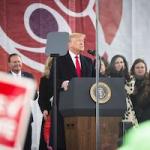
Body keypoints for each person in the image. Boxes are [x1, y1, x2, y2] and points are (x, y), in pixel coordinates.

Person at [49, 32, 95, 150]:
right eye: (78, 40)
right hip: (66, 106)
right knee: (65, 140)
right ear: (69, 44)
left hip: (85, 106)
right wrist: (62, 83)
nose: (82, 43)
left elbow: (94, 81)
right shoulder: (59, 60)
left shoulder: (88, 61)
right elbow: (52, 80)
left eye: (83, 41)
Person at [8, 53, 38, 150]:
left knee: (27, 144)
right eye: (14, 62)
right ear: (9, 64)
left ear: (21, 63)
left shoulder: (29, 76)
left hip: (26, 117)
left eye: (19, 61)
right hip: (10, 118)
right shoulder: (5, 77)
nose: (17, 64)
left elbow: (34, 97)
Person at [38, 56, 54, 149]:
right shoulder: (45, 79)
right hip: (49, 114)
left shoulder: (66, 77)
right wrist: (44, 109)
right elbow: (42, 98)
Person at [130, 58, 150, 123]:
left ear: (145, 69)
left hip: (146, 117)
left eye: (142, 67)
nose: (140, 69)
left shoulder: (148, 82)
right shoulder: (129, 82)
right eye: (137, 67)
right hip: (132, 117)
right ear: (133, 69)